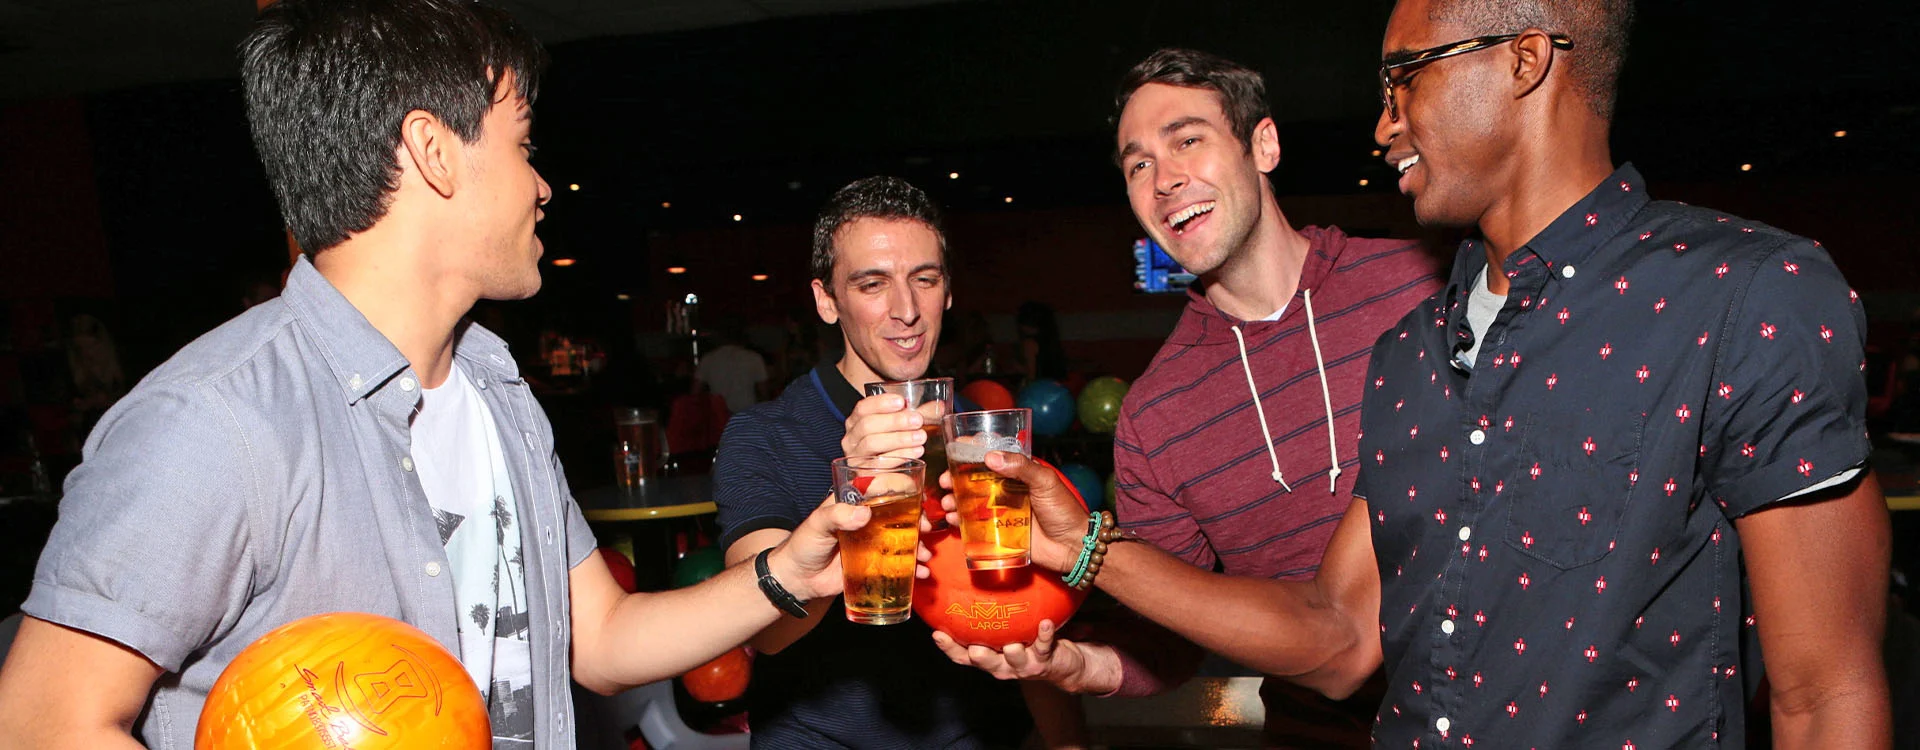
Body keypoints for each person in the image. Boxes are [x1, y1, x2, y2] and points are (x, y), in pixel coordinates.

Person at [945, 2, 1894, 748]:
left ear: (1524, 60)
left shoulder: (1729, 291)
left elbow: (1826, 690)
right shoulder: (1412, 349)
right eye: (1135, 164)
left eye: (1405, 78)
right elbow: (1329, 635)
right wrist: (1087, 595)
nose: (1382, 123)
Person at [0, 2, 876, 747]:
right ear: (433, 150)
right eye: (523, 144)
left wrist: (788, 574)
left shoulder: (497, 391)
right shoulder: (214, 421)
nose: (542, 186)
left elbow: (604, 639)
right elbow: (41, 723)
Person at [935, 48, 1443, 746]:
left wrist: (1088, 548)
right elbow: (1168, 636)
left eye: (1187, 141)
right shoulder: (1154, 414)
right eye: (1138, 165)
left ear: (1263, 145)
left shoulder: (1423, 287)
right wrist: (1079, 666)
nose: (1165, 179)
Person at [713, 176, 1084, 749]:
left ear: (948, 291)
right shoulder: (765, 434)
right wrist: (856, 484)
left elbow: (1032, 615)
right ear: (826, 301)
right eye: (872, 284)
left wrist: (1070, 744)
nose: (906, 311)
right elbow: (765, 631)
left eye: (924, 280)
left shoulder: (982, 435)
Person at [694, 318, 770, 413]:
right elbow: (764, 393)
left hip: (719, 417)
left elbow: (695, 393)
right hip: (747, 415)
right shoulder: (754, 358)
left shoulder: (708, 359)